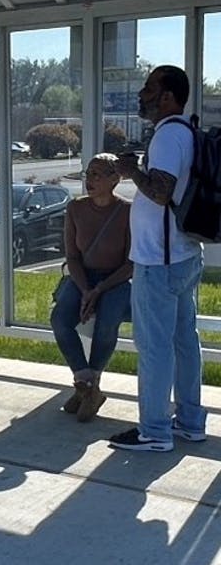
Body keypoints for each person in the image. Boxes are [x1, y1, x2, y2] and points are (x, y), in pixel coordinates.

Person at [109, 64, 205, 452]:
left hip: (159, 261)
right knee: (184, 342)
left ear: (167, 97)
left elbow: (162, 192)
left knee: (154, 348)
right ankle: (191, 422)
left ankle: (154, 431)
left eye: (149, 88)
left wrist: (131, 170)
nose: (141, 94)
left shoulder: (167, 136)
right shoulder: (188, 132)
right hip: (183, 255)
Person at [51, 153, 132, 422]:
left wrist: (99, 290)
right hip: (82, 277)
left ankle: (90, 385)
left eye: (97, 174)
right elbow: (72, 257)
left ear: (114, 179)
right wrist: (87, 289)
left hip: (116, 279)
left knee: (107, 322)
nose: (90, 180)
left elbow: (131, 263)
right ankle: (85, 382)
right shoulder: (75, 208)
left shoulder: (127, 211)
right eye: (88, 173)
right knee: (60, 319)